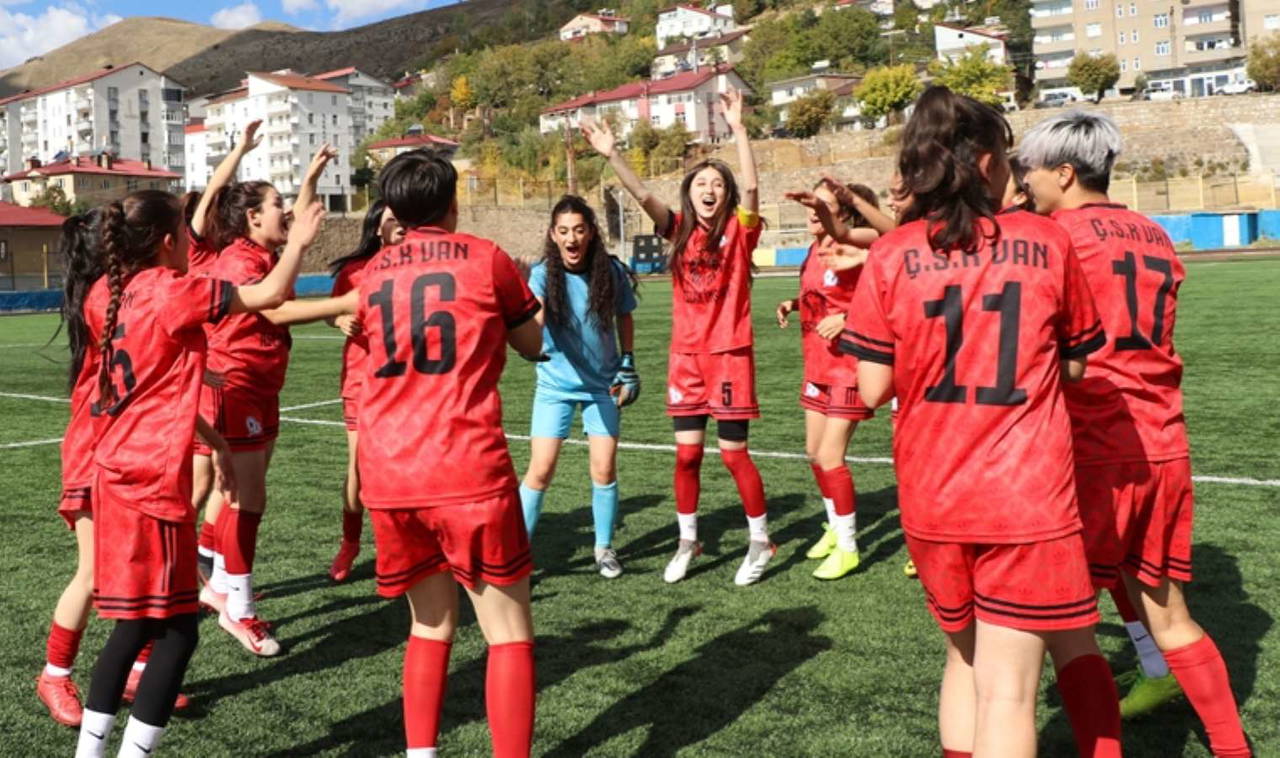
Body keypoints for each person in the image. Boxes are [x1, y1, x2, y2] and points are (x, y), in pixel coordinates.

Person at [841, 85, 1121, 758]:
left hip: (932, 492)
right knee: (1008, 693)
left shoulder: (890, 254)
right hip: (1023, 495)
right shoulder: (1047, 240)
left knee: (964, 660)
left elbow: (873, 388)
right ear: (990, 163)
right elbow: (1077, 364)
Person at [1019, 109, 1251, 755]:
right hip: (1161, 437)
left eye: (1031, 170)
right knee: (1169, 614)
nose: (1025, 182)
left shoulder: (1052, 237)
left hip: (1088, 442)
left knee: (1064, 628)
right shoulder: (1154, 233)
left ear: (1065, 173)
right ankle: (1234, 748)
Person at [74, 189, 331, 758]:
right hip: (152, 481)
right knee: (177, 630)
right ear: (170, 242)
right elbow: (267, 295)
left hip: (113, 471)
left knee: (134, 625)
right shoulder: (173, 290)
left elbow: (149, 387)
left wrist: (213, 442)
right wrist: (300, 244)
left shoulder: (102, 293)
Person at [356, 148, 543, 758]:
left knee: (429, 624)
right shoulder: (486, 258)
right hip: (465, 464)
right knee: (507, 633)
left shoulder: (373, 271)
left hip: (389, 471)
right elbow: (532, 343)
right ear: (452, 202)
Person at [581, 88, 775, 586]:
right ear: (689, 193)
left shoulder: (742, 229)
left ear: (726, 194)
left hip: (729, 355)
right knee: (687, 455)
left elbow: (753, 187)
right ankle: (689, 540)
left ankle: (760, 540)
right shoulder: (678, 231)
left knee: (733, 455)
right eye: (701, 183)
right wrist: (612, 155)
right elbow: (644, 195)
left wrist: (739, 129)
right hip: (685, 359)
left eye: (718, 184)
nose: (709, 190)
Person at [197, 144, 353, 657]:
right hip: (234, 386)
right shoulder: (238, 260)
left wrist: (312, 177)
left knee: (238, 498)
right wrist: (343, 303)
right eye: (276, 204)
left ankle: (220, 582)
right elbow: (276, 312)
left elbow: (296, 231)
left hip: (261, 388)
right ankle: (237, 609)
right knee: (247, 500)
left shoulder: (264, 253)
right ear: (252, 217)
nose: (285, 211)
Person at [519, 195, 639, 579]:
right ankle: (516, 554)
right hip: (554, 386)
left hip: (602, 386)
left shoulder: (610, 272)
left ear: (590, 233)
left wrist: (628, 361)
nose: (572, 238)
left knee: (603, 469)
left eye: (579, 230)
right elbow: (536, 317)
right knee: (540, 470)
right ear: (553, 235)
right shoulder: (542, 275)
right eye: (564, 231)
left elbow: (624, 315)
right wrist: (529, 339)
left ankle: (603, 548)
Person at [777, 179, 881, 580]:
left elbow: (886, 297)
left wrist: (849, 318)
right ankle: (835, 527)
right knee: (813, 452)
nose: (812, 211)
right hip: (817, 365)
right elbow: (821, 296)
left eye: (822, 205)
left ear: (843, 214)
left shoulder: (854, 248)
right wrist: (793, 303)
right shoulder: (812, 250)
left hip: (848, 366)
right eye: (810, 203)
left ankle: (849, 547)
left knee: (831, 456)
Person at [191, 119, 266, 583]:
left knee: (225, 480)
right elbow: (212, 193)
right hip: (211, 379)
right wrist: (237, 151)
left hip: (227, 378)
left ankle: (205, 560)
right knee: (203, 483)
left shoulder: (228, 256)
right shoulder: (198, 255)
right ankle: (182, 566)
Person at [325, 199, 406, 582]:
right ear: (376, 227)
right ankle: (350, 542)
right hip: (361, 380)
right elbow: (330, 311)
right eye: (392, 219)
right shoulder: (354, 271)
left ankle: (400, 546)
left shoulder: (418, 266)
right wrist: (340, 319)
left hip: (405, 381)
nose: (401, 224)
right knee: (358, 467)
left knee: (401, 467)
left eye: (404, 219)